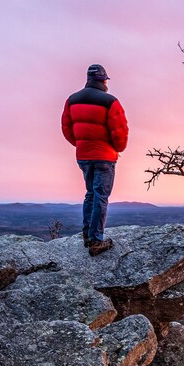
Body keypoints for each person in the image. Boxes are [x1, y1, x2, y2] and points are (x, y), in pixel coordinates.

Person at [61, 63, 129, 256]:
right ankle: (96, 241)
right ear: (103, 80)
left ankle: (87, 236)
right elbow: (120, 132)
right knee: (101, 196)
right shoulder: (110, 101)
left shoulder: (72, 100)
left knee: (90, 194)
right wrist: (117, 148)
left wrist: (81, 144)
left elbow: (66, 128)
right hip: (104, 157)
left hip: (83, 155)